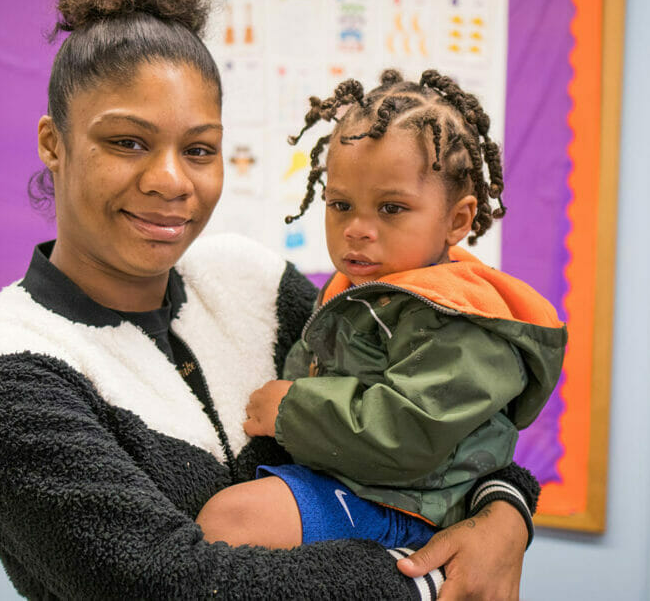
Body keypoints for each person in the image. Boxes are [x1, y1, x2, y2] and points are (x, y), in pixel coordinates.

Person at [0, 0, 541, 600]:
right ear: (56, 141)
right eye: (127, 141)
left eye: (198, 149)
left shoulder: (250, 282)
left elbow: (438, 419)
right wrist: (429, 578)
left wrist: (506, 514)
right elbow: (173, 586)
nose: (170, 180)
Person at [195, 70, 566, 551]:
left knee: (234, 519)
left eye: (391, 208)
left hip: (409, 505)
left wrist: (290, 410)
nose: (357, 229)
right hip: (356, 480)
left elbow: (407, 431)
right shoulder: (359, 285)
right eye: (340, 204)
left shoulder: (461, 321)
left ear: (457, 220)